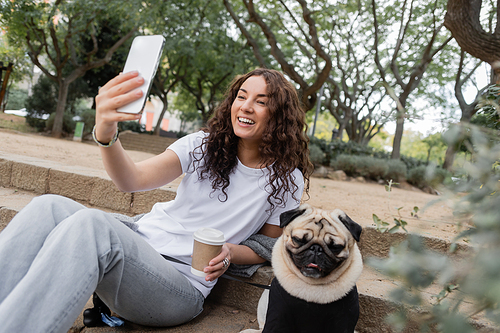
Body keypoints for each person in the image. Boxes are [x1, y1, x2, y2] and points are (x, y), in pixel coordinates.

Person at [0, 68, 313, 332]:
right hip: (139, 246)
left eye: (261, 101)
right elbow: (131, 180)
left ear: (279, 115)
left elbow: (269, 246)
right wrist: (106, 134)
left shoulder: (286, 178)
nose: (245, 106)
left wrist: (230, 251)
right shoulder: (202, 146)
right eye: (241, 96)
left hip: (179, 287)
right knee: (48, 206)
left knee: (92, 223)